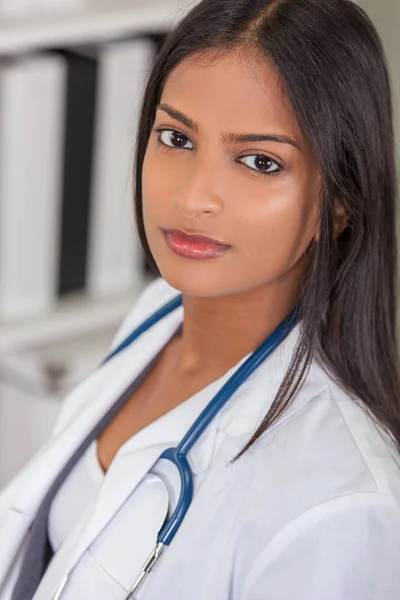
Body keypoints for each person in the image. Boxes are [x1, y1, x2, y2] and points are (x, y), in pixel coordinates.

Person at [1, 0, 400, 598]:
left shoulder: (341, 504)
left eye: (259, 161)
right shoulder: (156, 314)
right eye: (176, 137)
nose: (194, 197)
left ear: (339, 202)